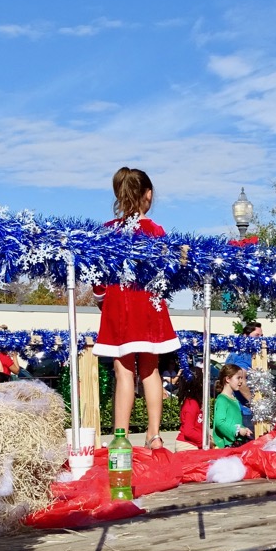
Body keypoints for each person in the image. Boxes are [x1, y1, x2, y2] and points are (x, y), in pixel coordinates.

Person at [94, 167, 180, 450]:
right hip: (149, 304)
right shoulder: (156, 231)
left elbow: (98, 277)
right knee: (150, 370)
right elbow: (167, 272)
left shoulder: (108, 231)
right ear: (148, 194)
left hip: (119, 305)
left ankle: (121, 438)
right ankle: (154, 436)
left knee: (123, 372)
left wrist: (102, 299)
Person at [212, 362, 254, 448]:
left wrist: (243, 429)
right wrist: (237, 430)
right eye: (238, 378)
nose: (241, 381)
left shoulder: (234, 399)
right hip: (227, 446)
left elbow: (235, 422)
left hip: (236, 444)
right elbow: (219, 422)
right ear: (228, 379)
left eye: (242, 378)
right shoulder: (222, 400)